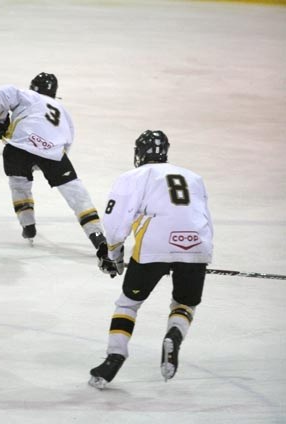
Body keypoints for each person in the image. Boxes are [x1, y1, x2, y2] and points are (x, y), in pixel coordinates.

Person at [89, 130, 214, 389]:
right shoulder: (194, 177)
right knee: (184, 303)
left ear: (138, 153)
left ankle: (114, 357)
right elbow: (203, 217)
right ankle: (174, 336)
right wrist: (201, 255)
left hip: (155, 243)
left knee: (128, 304)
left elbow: (115, 223)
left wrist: (113, 255)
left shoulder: (133, 176)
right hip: (196, 244)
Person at [0, 72, 107, 253]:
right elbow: (67, 142)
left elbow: (1, 92)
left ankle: (28, 226)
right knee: (75, 192)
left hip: (18, 149)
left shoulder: (29, 95)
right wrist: (44, 159)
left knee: (19, 184)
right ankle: (97, 236)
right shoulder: (63, 111)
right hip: (53, 154)